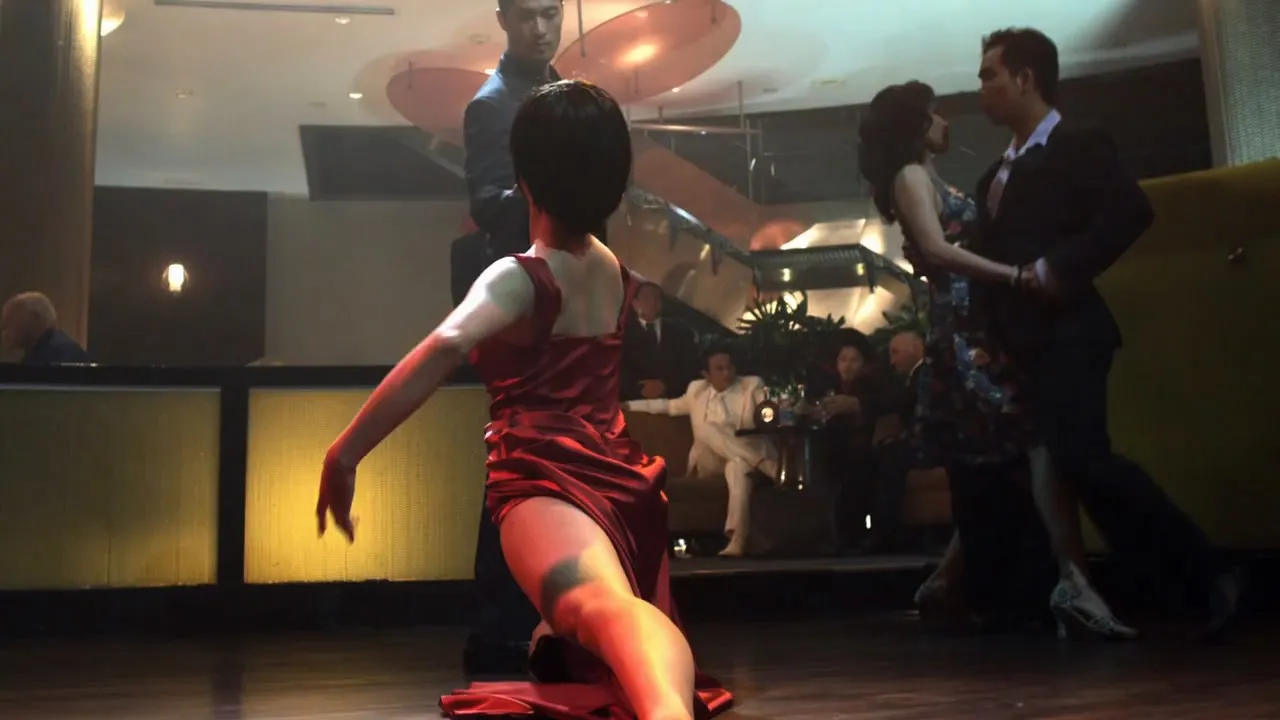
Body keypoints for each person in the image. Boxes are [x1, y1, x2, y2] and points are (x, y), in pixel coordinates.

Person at [316, 80, 731, 720]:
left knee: (596, 609)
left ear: (524, 181)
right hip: (623, 482)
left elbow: (445, 346)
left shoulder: (520, 278)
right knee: (593, 619)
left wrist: (344, 455)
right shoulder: (611, 269)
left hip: (547, 480)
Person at [974, 27, 1243, 639]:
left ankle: (1211, 571)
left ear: (1026, 78)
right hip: (1019, 345)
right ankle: (1178, 588)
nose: (981, 86)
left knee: (1084, 460)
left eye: (990, 74)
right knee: (1068, 469)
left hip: (1071, 332)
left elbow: (1131, 211)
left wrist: (1057, 267)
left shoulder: (1079, 143)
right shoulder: (994, 173)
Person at [858, 80, 1135, 639]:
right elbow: (936, 249)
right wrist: (1012, 276)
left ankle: (951, 580)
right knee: (1034, 441)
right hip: (966, 332)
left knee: (1008, 454)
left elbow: (935, 251)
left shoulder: (922, 176)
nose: (945, 123)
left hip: (975, 326)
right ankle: (1072, 582)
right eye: (934, 115)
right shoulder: (911, 175)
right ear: (915, 125)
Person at [458, 0, 568, 674]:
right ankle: (501, 625)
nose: (541, 28)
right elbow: (487, 205)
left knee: (554, 458)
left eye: (551, 13)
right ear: (503, 18)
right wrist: (559, 195)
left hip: (562, 292)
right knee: (519, 456)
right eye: (528, 15)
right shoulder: (491, 103)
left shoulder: (568, 95)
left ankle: (538, 619)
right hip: (525, 298)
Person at [625, 344, 777, 557]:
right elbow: (667, 406)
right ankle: (767, 465)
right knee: (707, 429)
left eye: (730, 367)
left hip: (740, 458)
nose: (727, 373)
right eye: (719, 369)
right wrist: (628, 406)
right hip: (709, 461)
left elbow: (769, 412)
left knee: (738, 467)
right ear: (706, 374)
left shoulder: (751, 386)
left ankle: (738, 539)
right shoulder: (697, 391)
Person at [620, 281, 699, 401]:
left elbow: (691, 369)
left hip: (674, 401)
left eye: (657, 298)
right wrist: (639, 389)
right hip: (632, 401)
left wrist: (666, 386)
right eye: (646, 298)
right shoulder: (622, 334)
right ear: (635, 303)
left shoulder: (682, 332)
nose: (652, 303)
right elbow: (616, 371)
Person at [1, 292, 90, 365]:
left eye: (11, 319)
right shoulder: (40, 354)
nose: (3, 326)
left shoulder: (57, 357)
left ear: (35, 318)